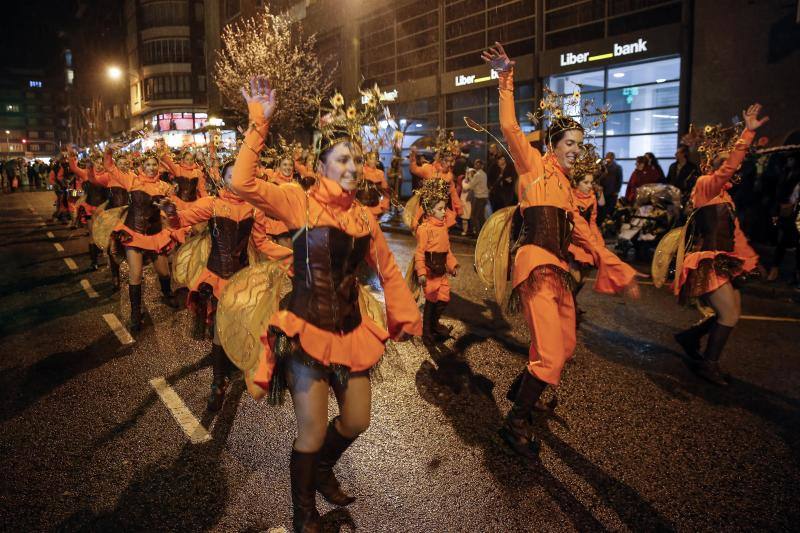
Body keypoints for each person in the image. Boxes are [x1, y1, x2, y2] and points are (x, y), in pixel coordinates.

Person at [232, 77, 421, 533]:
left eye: (357, 158)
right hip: (307, 330)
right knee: (312, 431)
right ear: (321, 165)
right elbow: (240, 181)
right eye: (343, 159)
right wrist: (259, 120)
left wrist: (403, 315)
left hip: (352, 331)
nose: (353, 166)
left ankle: (321, 469)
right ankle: (303, 515)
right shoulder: (298, 203)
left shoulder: (362, 217)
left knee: (357, 419)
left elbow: (387, 271)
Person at [482, 42, 638, 462]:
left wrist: (611, 262)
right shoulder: (533, 168)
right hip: (534, 267)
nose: (575, 149)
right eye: (569, 142)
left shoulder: (570, 191)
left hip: (558, 273)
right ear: (552, 145)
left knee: (564, 348)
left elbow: (585, 235)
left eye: (579, 144)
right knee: (551, 356)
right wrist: (505, 79)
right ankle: (513, 422)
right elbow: (511, 127)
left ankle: (524, 387)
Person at [162, 156, 292, 411]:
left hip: (243, 279)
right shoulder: (212, 204)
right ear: (223, 178)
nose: (236, 181)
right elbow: (184, 218)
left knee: (245, 327)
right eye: (231, 176)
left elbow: (262, 243)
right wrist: (171, 214)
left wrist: (291, 254)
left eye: (240, 176)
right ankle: (217, 383)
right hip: (217, 278)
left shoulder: (255, 209)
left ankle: (239, 365)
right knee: (222, 330)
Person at [673, 105, 768, 386]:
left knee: (731, 311)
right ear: (710, 163)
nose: (728, 160)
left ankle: (691, 338)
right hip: (707, 259)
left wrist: (751, 262)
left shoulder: (725, 197)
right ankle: (708, 365)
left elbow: (735, 235)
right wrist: (748, 132)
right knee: (729, 314)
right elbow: (730, 167)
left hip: (724, 259)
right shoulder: (705, 185)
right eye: (721, 157)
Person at [104, 145, 179, 332]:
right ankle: (135, 313)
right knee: (135, 274)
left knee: (164, 273)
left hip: (155, 235)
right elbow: (110, 167)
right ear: (142, 166)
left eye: (155, 164)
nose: (152, 167)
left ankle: (167, 292)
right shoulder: (132, 180)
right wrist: (109, 152)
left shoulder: (164, 186)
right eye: (148, 164)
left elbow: (171, 208)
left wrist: (169, 208)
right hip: (134, 233)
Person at [415, 181, 459, 344]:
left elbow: (446, 250)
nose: (444, 212)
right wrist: (421, 272)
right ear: (430, 210)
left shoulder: (443, 228)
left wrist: (452, 265)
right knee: (431, 302)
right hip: (430, 272)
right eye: (440, 209)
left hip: (442, 272)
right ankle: (427, 332)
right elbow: (419, 252)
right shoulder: (425, 229)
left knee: (444, 299)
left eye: (444, 208)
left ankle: (434, 324)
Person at [68, 149, 109, 270]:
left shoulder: (107, 175)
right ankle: (94, 261)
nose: (99, 165)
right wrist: (71, 156)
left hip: (105, 209)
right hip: (90, 209)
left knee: (106, 235)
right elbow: (74, 168)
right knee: (93, 235)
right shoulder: (86, 174)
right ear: (93, 164)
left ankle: (107, 257)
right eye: (97, 162)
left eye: (101, 163)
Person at [767, 153, 800, 283]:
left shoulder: (796, 175)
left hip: (796, 212)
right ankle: (775, 269)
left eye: (792, 159)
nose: (789, 161)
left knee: (796, 243)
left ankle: (795, 272)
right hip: (786, 211)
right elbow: (779, 191)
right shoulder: (785, 173)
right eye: (788, 159)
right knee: (783, 240)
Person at [356, 151, 391, 216]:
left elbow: (385, 189)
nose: (373, 161)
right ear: (366, 160)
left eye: (375, 158)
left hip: (377, 201)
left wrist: (385, 203)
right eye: (371, 158)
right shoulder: (362, 171)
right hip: (363, 202)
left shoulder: (380, 173)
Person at [463, 158, 489, 234]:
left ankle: (478, 234)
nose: (476, 165)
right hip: (483, 198)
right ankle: (484, 233)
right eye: (475, 164)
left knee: (475, 216)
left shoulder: (478, 175)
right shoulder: (483, 174)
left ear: (481, 166)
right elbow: (474, 183)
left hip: (479, 198)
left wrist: (465, 183)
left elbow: (470, 186)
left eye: (477, 164)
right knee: (481, 217)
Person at [597, 151, 622, 223]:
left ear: (613, 158)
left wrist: (617, 191)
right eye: (606, 156)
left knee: (610, 210)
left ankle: (609, 224)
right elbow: (598, 177)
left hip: (612, 192)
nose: (607, 158)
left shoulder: (617, 167)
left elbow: (619, 180)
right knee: (601, 210)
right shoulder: (603, 166)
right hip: (602, 192)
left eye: (609, 157)